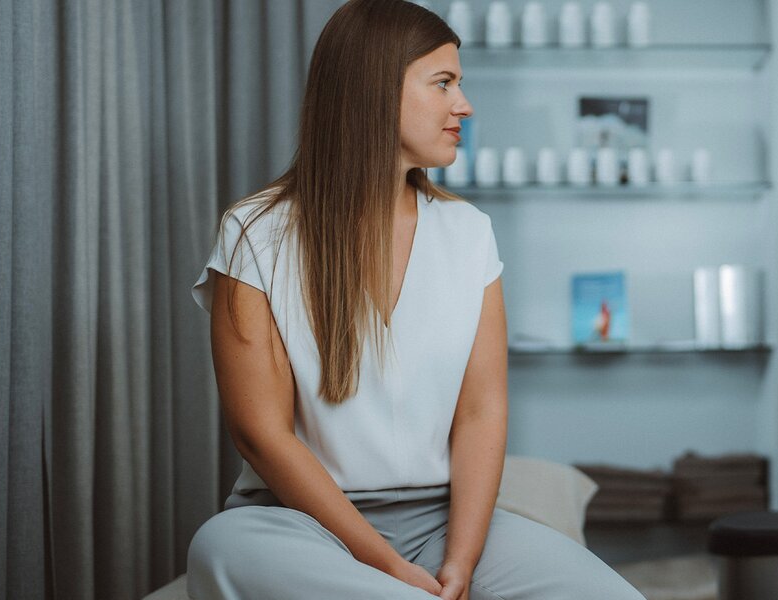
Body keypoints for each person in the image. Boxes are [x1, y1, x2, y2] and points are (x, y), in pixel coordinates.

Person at [185, 2, 645, 599]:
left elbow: (482, 413)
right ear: (373, 91)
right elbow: (259, 433)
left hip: (441, 520)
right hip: (293, 520)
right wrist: (388, 568)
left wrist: (461, 559)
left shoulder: (468, 231)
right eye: (444, 83)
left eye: (461, 83)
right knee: (218, 550)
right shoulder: (257, 233)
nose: (465, 105)